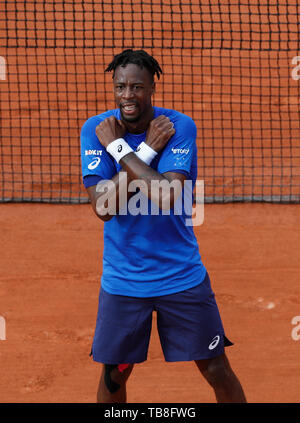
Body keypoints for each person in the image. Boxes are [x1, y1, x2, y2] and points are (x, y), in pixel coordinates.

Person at [80, 49, 247, 403]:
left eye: (137, 87)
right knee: (114, 376)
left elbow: (166, 195)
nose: (128, 96)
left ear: (152, 87)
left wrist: (120, 151)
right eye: (120, 87)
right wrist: (140, 152)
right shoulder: (97, 131)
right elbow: (104, 207)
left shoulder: (177, 127)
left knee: (216, 369)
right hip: (124, 280)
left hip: (181, 275)